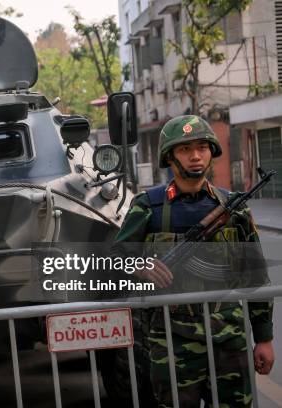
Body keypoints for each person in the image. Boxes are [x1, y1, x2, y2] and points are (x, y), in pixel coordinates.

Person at [112, 115, 274, 407]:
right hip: (172, 340)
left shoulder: (232, 208)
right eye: (185, 149)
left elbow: (256, 277)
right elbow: (114, 257)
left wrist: (263, 338)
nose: (196, 155)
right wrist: (140, 266)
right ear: (170, 156)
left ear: (212, 152)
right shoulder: (148, 207)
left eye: (202, 147)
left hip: (229, 337)